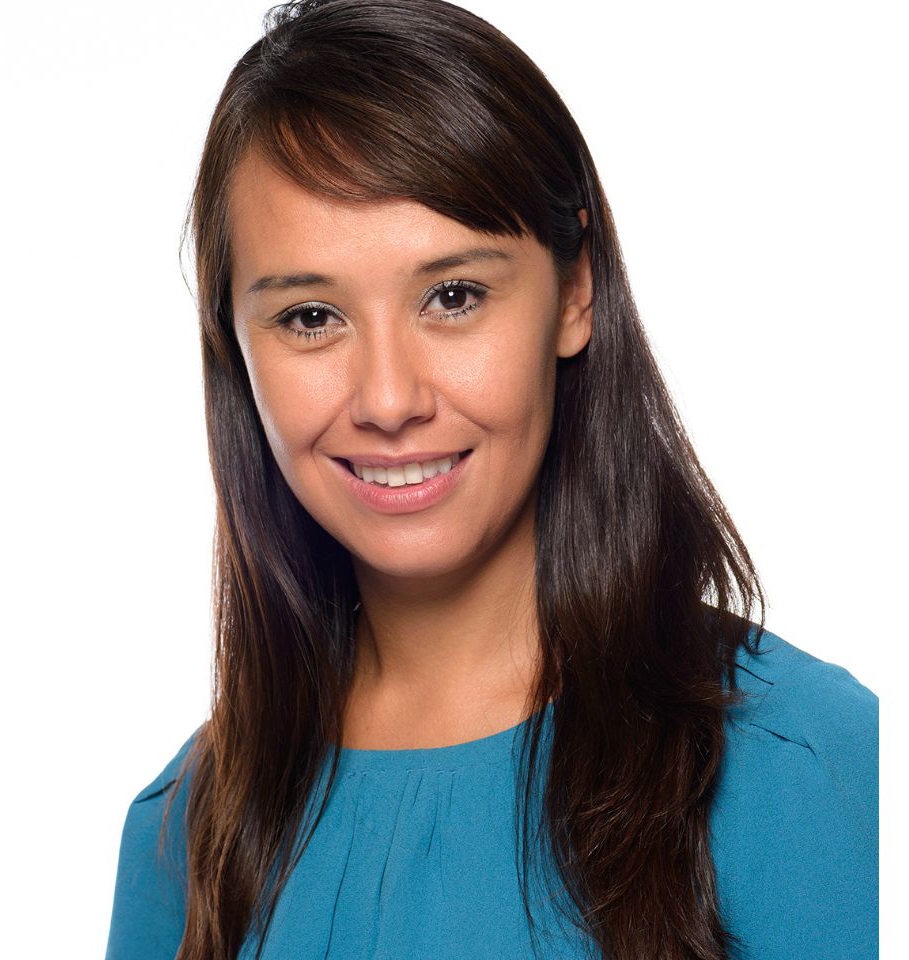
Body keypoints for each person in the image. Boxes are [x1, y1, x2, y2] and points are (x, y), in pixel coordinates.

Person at [104, 1, 878, 958]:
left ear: (576, 292)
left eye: (454, 296)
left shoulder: (808, 769)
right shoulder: (182, 840)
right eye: (310, 317)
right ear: (236, 346)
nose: (387, 399)